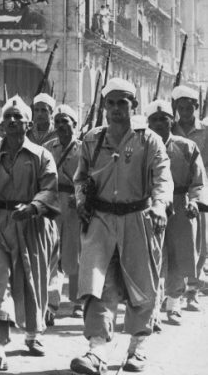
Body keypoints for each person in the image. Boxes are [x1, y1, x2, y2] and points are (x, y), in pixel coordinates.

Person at [70, 78, 173, 374]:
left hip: (138, 220)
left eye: (122, 103)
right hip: (100, 221)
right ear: (104, 107)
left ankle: (138, 347)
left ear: (133, 106)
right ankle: (97, 349)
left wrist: (159, 205)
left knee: (142, 285)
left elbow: (162, 177)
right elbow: (80, 178)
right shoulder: (92, 140)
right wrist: (81, 201)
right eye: (111, 103)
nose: (116, 109)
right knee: (97, 284)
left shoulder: (148, 139)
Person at [0, 96, 59, 371]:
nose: (11, 121)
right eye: (7, 116)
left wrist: (33, 206)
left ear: (28, 124)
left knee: (31, 280)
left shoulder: (41, 155)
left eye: (18, 117)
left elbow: (50, 188)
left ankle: (33, 333)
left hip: (31, 225)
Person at [145, 99, 205, 328]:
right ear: (148, 122)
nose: (159, 123)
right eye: (154, 119)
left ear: (172, 121)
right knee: (154, 255)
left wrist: (194, 201)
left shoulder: (187, 146)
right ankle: (153, 306)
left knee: (180, 253)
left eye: (164, 119)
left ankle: (174, 304)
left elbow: (198, 181)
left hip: (180, 205)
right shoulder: (143, 146)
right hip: (153, 205)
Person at [43, 105, 84, 322]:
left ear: (74, 125)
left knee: (75, 254)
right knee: (52, 253)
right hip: (53, 205)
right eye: (57, 121)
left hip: (75, 207)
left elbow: (92, 176)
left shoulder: (85, 148)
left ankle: (77, 301)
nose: (60, 126)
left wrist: (80, 196)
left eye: (65, 121)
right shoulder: (48, 147)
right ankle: (51, 302)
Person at [170, 85, 208, 310]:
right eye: (180, 107)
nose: (184, 112)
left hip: (198, 188)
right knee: (174, 243)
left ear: (196, 107)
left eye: (189, 107)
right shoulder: (168, 127)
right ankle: (171, 290)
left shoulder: (205, 131)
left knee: (199, 241)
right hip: (171, 190)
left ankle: (192, 290)